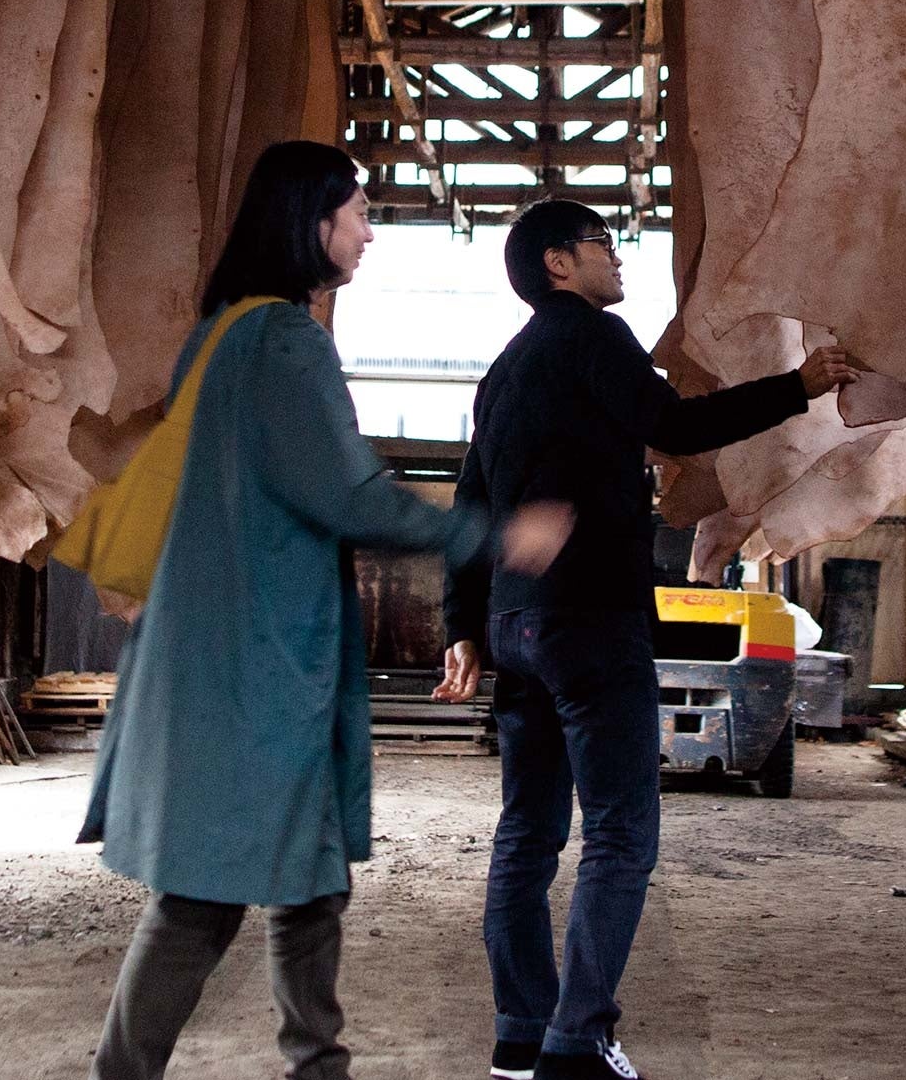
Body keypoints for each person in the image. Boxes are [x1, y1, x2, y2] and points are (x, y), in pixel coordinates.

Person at [80, 141, 573, 1080]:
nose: (369, 232)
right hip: (260, 660)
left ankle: (317, 1065)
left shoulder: (221, 335)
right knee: (203, 895)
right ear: (311, 222)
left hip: (232, 645)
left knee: (308, 883)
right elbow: (348, 496)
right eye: (358, 213)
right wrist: (495, 535)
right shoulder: (284, 341)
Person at [437, 198, 855, 1080]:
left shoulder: (502, 371)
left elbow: (472, 504)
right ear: (558, 264)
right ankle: (578, 1043)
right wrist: (800, 386)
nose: (618, 256)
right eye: (602, 242)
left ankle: (520, 1036)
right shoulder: (594, 336)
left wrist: (464, 628)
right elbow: (678, 427)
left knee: (528, 834)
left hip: (516, 625)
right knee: (621, 833)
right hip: (590, 618)